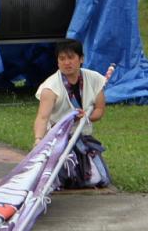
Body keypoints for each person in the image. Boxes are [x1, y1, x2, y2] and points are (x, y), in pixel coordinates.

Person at [33, 40, 112, 189]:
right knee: (61, 181)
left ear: (81, 59)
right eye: (62, 59)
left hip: (83, 137)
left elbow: (99, 110)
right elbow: (42, 117)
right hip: (59, 140)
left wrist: (86, 117)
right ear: (57, 62)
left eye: (71, 58)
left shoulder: (95, 79)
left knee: (98, 179)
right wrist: (38, 140)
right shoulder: (50, 88)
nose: (67, 63)